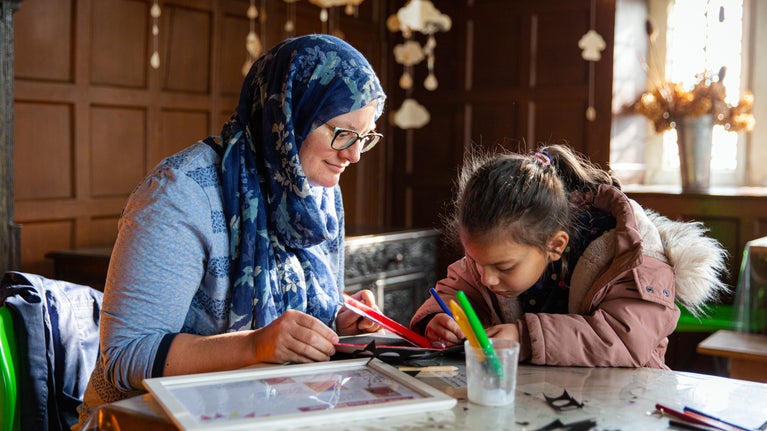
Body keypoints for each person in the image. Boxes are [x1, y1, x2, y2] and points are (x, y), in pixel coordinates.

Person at [77, 34, 386, 425]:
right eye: (342, 133)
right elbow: (126, 356)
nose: (354, 155)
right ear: (289, 116)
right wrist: (255, 345)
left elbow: (284, 296)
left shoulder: (317, 190)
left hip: (263, 409)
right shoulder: (179, 193)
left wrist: (336, 318)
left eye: (365, 137)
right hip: (147, 419)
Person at [411, 144, 728, 368]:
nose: (486, 277)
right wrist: (442, 321)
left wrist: (525, 338)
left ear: (555, 245)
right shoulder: (498, 250)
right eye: (476, 262)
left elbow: (626, 340)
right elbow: (452, 292)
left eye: (502, 267)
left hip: (624, 407)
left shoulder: (631, 259)